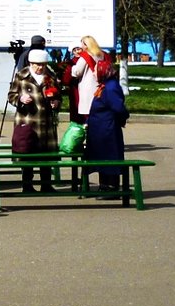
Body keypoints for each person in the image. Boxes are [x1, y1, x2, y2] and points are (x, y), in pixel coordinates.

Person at [7, 48, 62, 192]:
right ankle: (27, 185)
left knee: (46, 155)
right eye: (37, 64)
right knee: (27, 154)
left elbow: (58, 95)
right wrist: (20, 99)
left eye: (43, 64)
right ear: (30, 63)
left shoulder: (51, 76)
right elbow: (11, 95)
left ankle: (46, 184)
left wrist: (56, 103)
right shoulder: (21, 75)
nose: (40, 68)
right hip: (27, 122)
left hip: (46, 122)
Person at [85, 64, 130, 197]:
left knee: (109, 157)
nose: (93, 73)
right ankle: (104, 186)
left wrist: (123, 118)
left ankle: (112, 188)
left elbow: (118, 107)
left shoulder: (110, 87)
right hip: (100, 129)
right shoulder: (105, 85)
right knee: (102, 157)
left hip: (107, 130)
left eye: (94, 70)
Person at [65, 35, 113, 124]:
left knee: (88, 116)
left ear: (86, 45)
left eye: (82, 44)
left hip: (88, 88)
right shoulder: (103, 54)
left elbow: (77, 72)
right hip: (101, 87)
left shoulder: (85, 56)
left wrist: (72, 68)